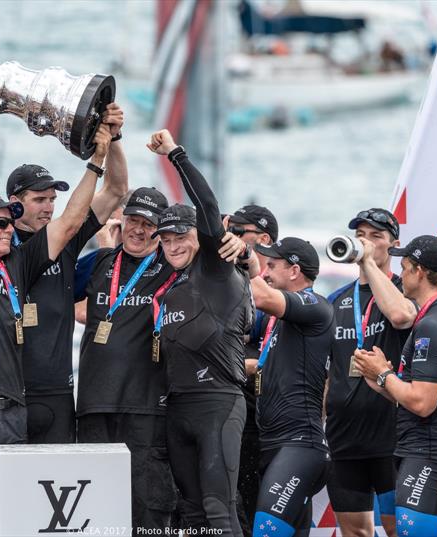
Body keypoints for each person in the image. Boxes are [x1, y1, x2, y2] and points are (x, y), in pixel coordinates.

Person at [0, 67, 114, 537]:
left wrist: (97, 160)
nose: (8, 230)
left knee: (4, 522)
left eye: (11, 226)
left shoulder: (19, 262)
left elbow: (71, 221)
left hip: (15, 409)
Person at [147, 129, 251, 536]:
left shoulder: (214, 270)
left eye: (182, 237)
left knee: (218, 511)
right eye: (166, 239)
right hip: (178, 409)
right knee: (190, 516)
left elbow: (206, 205)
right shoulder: (171, 284)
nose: (173, 245)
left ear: (201, 239)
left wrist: (176, 154)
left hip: (218, 405)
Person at [5, 103, 128, 444]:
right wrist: (96, 158)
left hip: (59, 393)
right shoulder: (2, 246)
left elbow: (116, 189)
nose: (48, 207)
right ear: (14, 201)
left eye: (52, 200)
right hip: (11, 394)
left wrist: (114, 137)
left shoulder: (67, 243)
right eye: (39, 200)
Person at [75, 185, 179, 533]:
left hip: (146, 406)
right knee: (96, 503)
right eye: (133, 220)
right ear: (121, 221)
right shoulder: (99, 262)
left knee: (147, 504)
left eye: (148, 224)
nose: (138, 229)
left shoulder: (172, 264)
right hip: (93, 404)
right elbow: (46, 284)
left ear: (162, 230)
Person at [354, 235, 437, 537]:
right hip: (431, 448)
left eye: (404, 267)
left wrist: (383, 375)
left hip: (428, 452)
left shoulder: (432, 325)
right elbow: (420, 394)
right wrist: (379, 377)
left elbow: (422, 403)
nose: (400, 275)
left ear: (419, 271)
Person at [325, 208, 416, 537]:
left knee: (398, 532)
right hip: (344, 438)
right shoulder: (336, 301)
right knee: (355, 533)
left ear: (393, 245)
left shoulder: (402, 292)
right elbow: (331, 371)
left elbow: (401, 317)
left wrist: (367, 262)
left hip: (390, 438)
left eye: (376, 236)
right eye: (360, 236)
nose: (365, 241)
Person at [242, 237, 333, 537]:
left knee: (266, 532)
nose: (266, 273)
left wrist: (247, 263)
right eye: (264, 266)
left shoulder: (314, 304)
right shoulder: (281, 322)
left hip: (299, 444)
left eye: (272, 266)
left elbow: (262, 296)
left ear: (294, 271)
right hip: (275, 444)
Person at [227, 204, 278, 535]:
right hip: (234, 414)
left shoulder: (282, 282)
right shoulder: (227, 278)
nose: (230, 239)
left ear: (263, 239)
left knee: (266, 515)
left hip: (270, 420)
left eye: (237, 233)